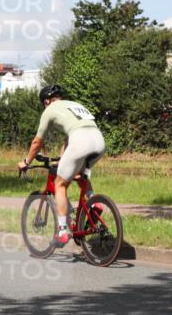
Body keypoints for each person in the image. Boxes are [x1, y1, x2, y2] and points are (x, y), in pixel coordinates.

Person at [18, 85, 106, 245]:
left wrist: (26, 162)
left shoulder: (49, 110)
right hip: (99, 141)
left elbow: (37, 141)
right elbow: (68, 139)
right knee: (81, 174)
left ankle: (62, 230)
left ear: (46, 101)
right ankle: (93, 202)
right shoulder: (74, 105)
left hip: (80, 141)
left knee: (60, 184)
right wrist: (61, 158)